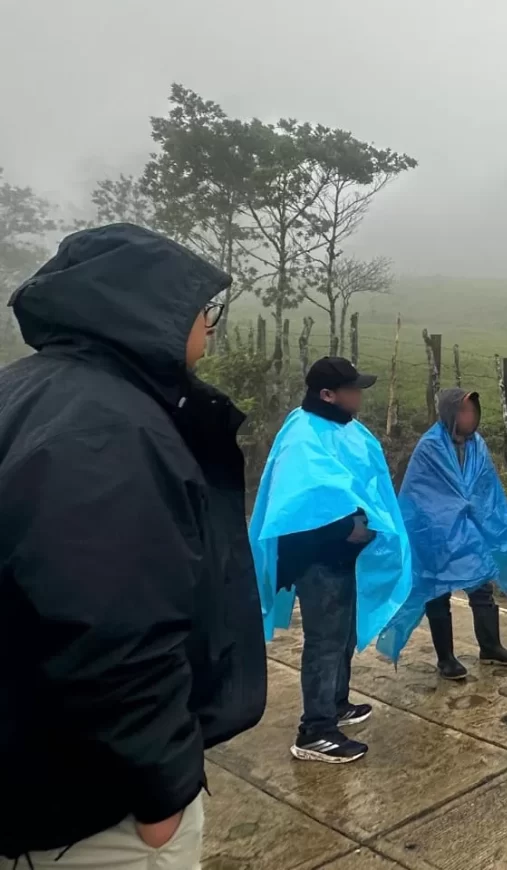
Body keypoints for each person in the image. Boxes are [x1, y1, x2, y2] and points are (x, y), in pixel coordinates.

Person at [0, 224, 266, 866]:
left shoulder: (28, 390)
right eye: (206, 309)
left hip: (35, 764)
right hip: (93, 803)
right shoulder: (108, 428)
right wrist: (163, 793)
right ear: (150, 310)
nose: (210, 325)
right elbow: (113, 632)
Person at [250, 357, 412, 764]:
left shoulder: (344, 429)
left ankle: (337, 703)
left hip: (343, 558)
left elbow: (362, 485)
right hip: (318, 560)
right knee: (324, 642)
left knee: (340, 635)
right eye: (353, 389)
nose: (360, 395)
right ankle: (315, 730)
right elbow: (295, 507)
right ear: (327, 395)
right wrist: (345, 530)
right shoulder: (303, 436)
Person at [377, 388, 507, 679]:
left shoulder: (478, 446)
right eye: (463, 411)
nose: (469, 417)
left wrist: (482, 518)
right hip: (436, 532)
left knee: (482, 585)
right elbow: (421, 495)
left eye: (473, 411)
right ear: (450, 413)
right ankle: (446, 658)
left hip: (470, 528)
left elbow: (486, 489)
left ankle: (490, 647)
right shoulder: (431, 447)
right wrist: (451, 514)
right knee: (438, 591)